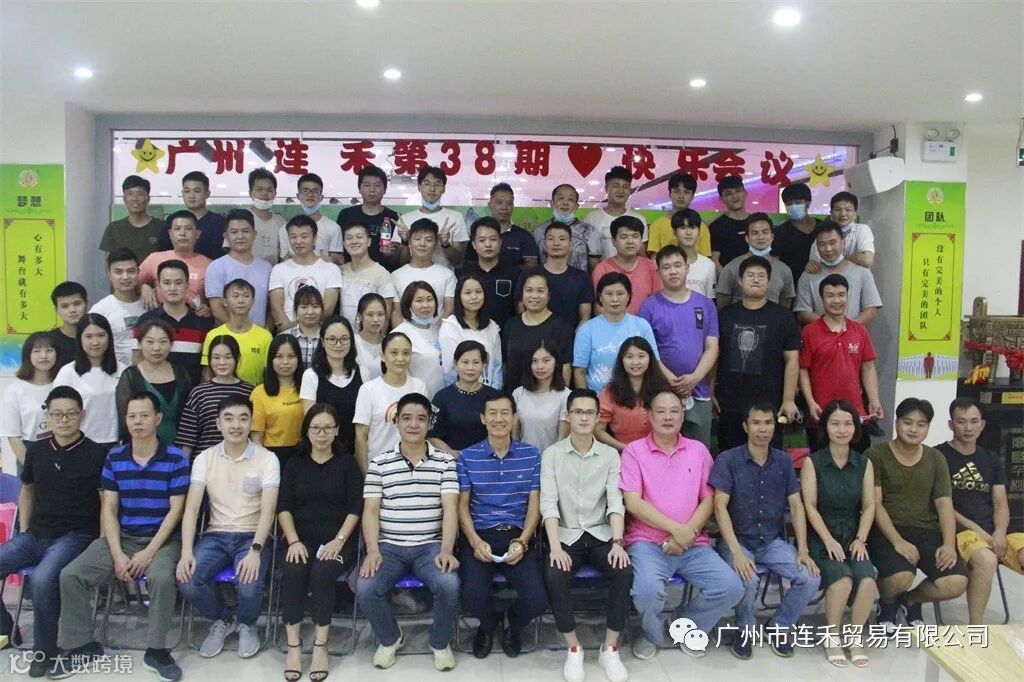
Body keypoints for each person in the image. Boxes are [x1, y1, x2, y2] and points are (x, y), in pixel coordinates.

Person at [53, 392, 189, 681]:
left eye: (144, 415)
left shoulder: (176, 458)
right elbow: (110, 509)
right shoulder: (115, 457)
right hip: (123, 537)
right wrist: (117, 555)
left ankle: (157, 650)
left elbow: (176, 511)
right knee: (70, 575)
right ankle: (81, 646)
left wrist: (148, 553)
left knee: (161, 578)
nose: (138, 422)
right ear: (125, 420)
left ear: (158, 419)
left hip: (163, 540)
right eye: (132, 416)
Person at [623, 391, 744, 660]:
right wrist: (677, 530)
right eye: (661, 411)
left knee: (731, 587)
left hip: (693, 544)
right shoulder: (634, 451)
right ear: (649, 416)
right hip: (648, 542)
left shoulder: (698, 451)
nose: (668, 417)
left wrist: (687, 534)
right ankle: (651, 634)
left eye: (674, 411)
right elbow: (632, 502)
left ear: (682, 415)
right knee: (646, 592)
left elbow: (709, 499)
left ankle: (684, 624)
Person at [0, 386, 106, 676]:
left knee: (43, 579)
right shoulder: (36, 450)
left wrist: (102, 541)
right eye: (57, 414)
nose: (63, 419)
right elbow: (28, 490)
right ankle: (6, 628)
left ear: (82, 415)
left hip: (75, 536)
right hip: (36, 534)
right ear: (46, 415)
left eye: (71, 413)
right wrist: (24, 530)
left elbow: (106, 501)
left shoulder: (97, 453)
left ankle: (45, 652)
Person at [356, 392, 460, 671]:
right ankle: (390, 638)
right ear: (396, 422)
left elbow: (450, 509)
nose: (414, 424)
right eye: (407, 418)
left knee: (449, 585)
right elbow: (371, 511)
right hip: (389, 546)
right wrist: (372, 550)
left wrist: (446, 550)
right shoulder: (379, 463)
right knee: (365, 588)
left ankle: (440, 643)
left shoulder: (445, 462)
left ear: (429, 424)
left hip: (430, 546)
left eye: (421, 419)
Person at [710, 400, 821, 660]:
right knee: (747, 580)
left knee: (810, 577)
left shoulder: (783, 461)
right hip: (737, 541)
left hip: (771, 542)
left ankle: (779, 626)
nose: (763, 429)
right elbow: (719, 507)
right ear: (745, 427)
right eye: (756, 423)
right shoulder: (728, 460)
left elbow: (796, 506)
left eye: (768, 423)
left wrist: (803, 549)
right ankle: (745, 630)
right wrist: (736, 553)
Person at [176, 396, 280, 659]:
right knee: (187, 579)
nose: (236, 425)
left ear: (251, 423)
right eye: (229, 419)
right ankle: (222, 619)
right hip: (215, 534)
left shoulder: (267, 459)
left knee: (249, 583)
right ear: (218, 424)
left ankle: (246, 623)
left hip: (252, 535)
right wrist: (186, 551)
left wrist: (256, 551)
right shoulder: (204, 458)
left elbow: (268, 511)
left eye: (243, 419)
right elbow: (191, 509)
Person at [541, 389, 632, 682]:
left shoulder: (610, 455)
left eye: (589, 412)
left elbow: (615, 502)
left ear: (596, 417)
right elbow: (548, 503)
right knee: (554, 573)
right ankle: (574, 648)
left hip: (600, 533)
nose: (583, 418)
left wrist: (617, 542)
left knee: (623, 571)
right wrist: (555, 547)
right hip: (566, 535)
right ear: (568, 415)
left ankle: (610, 648)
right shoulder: (552, 454)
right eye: (577, 412)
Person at [457, 393, 546, 659]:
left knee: (537, 599)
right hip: (480, 534)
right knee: (470, 595)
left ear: (514, 417)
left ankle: (513, 625)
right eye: (492, 413)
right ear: (483, 419)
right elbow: (462, 506)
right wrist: (475, 541)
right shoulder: (467, 457)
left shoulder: (532, 455)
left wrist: (523, 541)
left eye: (505, 413)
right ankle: (488, 624)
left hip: (517, 534)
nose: (499, 419)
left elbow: (534, 505)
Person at [867, 398, 967, 633]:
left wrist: (948, 544)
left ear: (928, 427)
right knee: (901, 577)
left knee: (956, 583)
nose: (913, 429)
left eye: (921, 425)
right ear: (897, 423)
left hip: (927, 530)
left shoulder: (935, 458)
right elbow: (875, 503)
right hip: (887, 531)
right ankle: (887, 603)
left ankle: (910, 601)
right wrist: (898, 541)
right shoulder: (876, 455)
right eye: (907, 422)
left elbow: (944, 503)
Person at [278, 404, 362, 682]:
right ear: (307, 431)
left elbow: (355, 508)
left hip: (340, 540)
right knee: (293, 570)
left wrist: (339, 540)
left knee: (322, 572)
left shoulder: (348, 464)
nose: (322, 434)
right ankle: (293, 646)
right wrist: (293, 541)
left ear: (337, 431)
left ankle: (320, 645)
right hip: (300, 538)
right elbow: (283, 507)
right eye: (315, 428)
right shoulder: (295, 463)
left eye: (328, 428)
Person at [800, 399, 877, 669]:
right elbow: (810, 506)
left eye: (847, 424)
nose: (842, 430)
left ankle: (854, 639)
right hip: (823, 537)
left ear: (855, 428)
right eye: (835, 424)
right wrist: (828, 539)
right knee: (843, 580)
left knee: (867, 580)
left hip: (854, 536)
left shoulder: (864, 463)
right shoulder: (813, 462)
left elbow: (869, 506)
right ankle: (832, 637)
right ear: (825, 428)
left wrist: (861, 538)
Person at [937, 398, 1023, 624]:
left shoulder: (992, 459)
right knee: (986, 559)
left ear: (982, 425)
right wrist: (981, 532)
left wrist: (1000, 532)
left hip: (992, 532)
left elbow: (1000, 503)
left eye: (974, 421)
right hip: (959, 531)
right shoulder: (938, 457)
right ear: (950, 424)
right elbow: (943, 505)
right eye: (961, 421)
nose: (968, 427)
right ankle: (976, 627)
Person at [714, 256, 801, 452]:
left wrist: (788, 399)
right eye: (750, 275)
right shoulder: (725, 316)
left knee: (768, 455)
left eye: (761, 276)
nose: (756, 279)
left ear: (769, 282)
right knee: (729, 454)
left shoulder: (784, 317)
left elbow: (792, 360)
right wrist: (711, 391)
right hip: (730, 402)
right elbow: (715, 357)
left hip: (769, 403)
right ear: (740, 280)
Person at [639, 245, 719, 445]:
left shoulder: (706, 304)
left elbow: (712, 347)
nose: (673, 271)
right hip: (661, 392)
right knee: (660, 449)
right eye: (666, 267)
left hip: (699, 391)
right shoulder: (648, 307)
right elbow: (646, 351)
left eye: (678, 265)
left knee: (698, 452)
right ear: (659, 272)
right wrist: (670, 379)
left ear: (687, 268)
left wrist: (694, 378)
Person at [799, 273, 884, 452]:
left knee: (857, 463)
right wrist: (811, 402)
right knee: (822, 464)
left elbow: (868, 367)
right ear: (822, 299)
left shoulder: (860, 331)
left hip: (855, 415)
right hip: (820, 414)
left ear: (847, 296)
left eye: (841, 295)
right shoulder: (809, 332)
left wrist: (874, 399)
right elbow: (802, 370)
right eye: (830, 295)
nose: (836, 300)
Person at [352, 332, 427, 471]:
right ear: (382, 355)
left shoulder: (419, 386)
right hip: (378, 468)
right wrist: (366, 474)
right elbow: (360, 437)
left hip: (413, 467)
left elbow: (424, 429)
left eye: (406, 353)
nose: (400, 358)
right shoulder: (368, 389)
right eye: (394, 353)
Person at [573, 273, 659, 394]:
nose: (614, 299)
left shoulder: (642, 325)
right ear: (600, 297)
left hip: (637, 397)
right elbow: (579, 371)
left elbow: (654, 363)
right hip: (598, 398)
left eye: (620, 293)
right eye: (609, 294)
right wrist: (586, 400)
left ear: (629, 296)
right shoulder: (586, 329)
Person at [135, 259, 215, 384]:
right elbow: (137, 360)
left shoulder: (203, 321)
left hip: (193, 392)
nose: (172, 288)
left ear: (187, 285)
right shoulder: (146, 320)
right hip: (154, 391)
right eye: (167, 283)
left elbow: (208, 367)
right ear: (159, 285)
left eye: (178, 283)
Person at [54, 314, 127, 449]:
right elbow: (57, 411)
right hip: (79, 443)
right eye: (88, 336)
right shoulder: (67, 372)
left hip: (116, 443)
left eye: (101, 335)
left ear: (109, 337)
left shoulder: (123, 370)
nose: (95, 342)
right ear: (80, 339)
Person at [176, 335, 255, 458]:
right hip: (205, 462)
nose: (222, 363)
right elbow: (187, 439)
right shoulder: (199, 393)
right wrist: (184, 467)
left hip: (241, 461)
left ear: (237, 358)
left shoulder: (249, 391)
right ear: (209, 360)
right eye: (216, 357)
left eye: (228, 357)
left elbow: (255, 433)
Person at [116, 319, 192, 443]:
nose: (156, 348)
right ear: (139, 344)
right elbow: (124, 418)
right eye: (150, 342)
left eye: (163, 342)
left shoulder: (181, 373)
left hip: (179, 445)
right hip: (142, 445)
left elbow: (190, 417)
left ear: (171, 344)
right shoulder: (130, 376)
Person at [795, 222, 882, 326]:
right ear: (817, 247)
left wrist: (847, 328)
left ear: (843, 242)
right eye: (822, 244)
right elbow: (802, 313)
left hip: (853, 333)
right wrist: (830, 326)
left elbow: (872, 309)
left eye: (832, 243)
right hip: (820, 335)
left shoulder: (863, 273)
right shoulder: (808, 275)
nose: (828, 249)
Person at [502, 271, 573, 393]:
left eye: (540, 291)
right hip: (514, 396)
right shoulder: (511, 325)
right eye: (529, 290)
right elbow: (504, 364)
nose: (534, 296)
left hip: (548, 399)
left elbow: (565, 367)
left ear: (549, 295)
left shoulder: (561, 327)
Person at [300, 316, 363, 453]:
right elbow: (310, 422)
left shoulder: (363, 373)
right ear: (322, 341)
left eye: (344, 339)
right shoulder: (311, 376)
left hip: (355, 449)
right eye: (332, 339)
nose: (338, 345)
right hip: (322, 450)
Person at [429, 341, 503, 457]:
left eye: (476, 362)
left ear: (484, 365)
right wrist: (452, 453)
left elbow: (502, 430)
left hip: (488, 459)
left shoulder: (494, 397)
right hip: (452, 460)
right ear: (456, 364)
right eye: (465, 362)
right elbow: (432, 435)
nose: (470, 368)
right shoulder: (442, 397)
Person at [270, 215, 342, 333]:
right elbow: (276, 307)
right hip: (286, 336)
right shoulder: (278, 269)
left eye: (304, 236)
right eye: (293, 237)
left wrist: (297, 327)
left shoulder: (331, 270)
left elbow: (328, 309)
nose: (298, 241)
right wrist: (289, 330)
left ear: (315, 238)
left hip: (319, 335)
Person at [597, 337, 670, 453]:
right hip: (624, 453)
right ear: (621, 360)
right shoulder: (610, 392)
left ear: (650, 358)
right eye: (629, 357)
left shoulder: (662, 388)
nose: (635, 362)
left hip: (660, 452)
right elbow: (598, 431)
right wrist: (626, 449)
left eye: (641, 356)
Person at [517, 221, 593, 329]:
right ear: (544, 244)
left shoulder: (582, 278)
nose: (556, 243)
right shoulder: (528, 275)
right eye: (551, 239)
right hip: (533, 336)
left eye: (562, 239)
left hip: (571, 337)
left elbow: (584, 318)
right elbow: (521, 312)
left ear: (570, 245)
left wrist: (575, 337)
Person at [205, 208, 273, 328]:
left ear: (254, 235)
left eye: (245, 231)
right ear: (226, 236)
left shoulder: (267, 268)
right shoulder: (216, 267)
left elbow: (272, 306)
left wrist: (265, 331)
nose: (240, 236)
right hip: (228, 336)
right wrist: (242, 332)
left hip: (261, 335)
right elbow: (217, 309)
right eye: (234, 232)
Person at [139, 210, 213, 316]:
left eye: (188, 229)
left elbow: (215, 302)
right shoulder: (154, 259)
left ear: (197, 234)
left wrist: (209, 310)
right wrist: (143, 287)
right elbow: (131, 283)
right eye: (177, 229)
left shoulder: (210, 265)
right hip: (159, 321)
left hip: (194, 321)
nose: (182, 233)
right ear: (170, 234)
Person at [200, 279, 273, 385]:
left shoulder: (265, 336)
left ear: (253, 302)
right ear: (225, 302)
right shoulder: (213, 335)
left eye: (246, 296)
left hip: (254, 393)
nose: (241, 300)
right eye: (235, 296)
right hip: (221, 392)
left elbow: (268, 373)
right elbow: (207, 372)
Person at [395, 165, 469, 269]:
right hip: (410, 278)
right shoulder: (404, 220)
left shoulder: (455, 217)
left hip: (444, 277)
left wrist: (445, 244)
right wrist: (405, 241)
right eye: (427, 183)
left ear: (443, 189)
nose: (432, 188)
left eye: (437, 184)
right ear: (419, 187)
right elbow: (399, 263)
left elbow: (458, 261)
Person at [1, 332, 56, 472]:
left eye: (49, 350)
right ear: (28, 355)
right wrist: (30, 467)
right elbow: (13, 436)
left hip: (64, 451)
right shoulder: (15, 390)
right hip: (30, 453)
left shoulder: (63, 383)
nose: (44, 355)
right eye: (37, 351)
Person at [715, 213, 796, 309]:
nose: (760, 237)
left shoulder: (784, 270)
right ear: (747, 238)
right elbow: (722, 306)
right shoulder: (731, 268)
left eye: (765, 232)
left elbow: (785, 305)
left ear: (772, 237)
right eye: (754, 233)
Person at [440, 273, 503, 388]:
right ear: (459, 296)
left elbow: (497, 365)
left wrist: (494, 393)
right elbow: (450, 368)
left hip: (488, 393)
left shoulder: (492, 327)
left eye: (478, 292)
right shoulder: (451, 326)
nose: (474, 297)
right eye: (467, 293)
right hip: (460, 392)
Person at [250, 334, 304, 468]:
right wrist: (262, 464)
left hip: (304, 454)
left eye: (291, 356)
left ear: (298, 359)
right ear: (271, 360)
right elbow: (256, 437)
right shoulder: (259, 393)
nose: (285, 362)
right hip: (271, 455)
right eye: (279, 356)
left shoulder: (307, 388)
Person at [390, 217, 457, 325]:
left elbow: (449, 310)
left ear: (436, 244)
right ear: (409, 242)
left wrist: (433, 333)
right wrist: (400, 334)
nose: (422, 243)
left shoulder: (447, 275)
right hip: (404, 334)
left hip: (438, 333)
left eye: (428, 240)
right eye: (417, 239)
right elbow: (396, 313)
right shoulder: (395, 276)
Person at [591, 216, 662, 315]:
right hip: (613, 323)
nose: (630, 241)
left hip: (646, 323)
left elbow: (659, 302)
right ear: (614, 241)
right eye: (624, 237)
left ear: (641, 240)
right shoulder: (602, 269)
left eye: (635, 236)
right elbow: (599, 306)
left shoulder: (652, 267)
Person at [336, 164, 401, 271]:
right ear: (359, 189)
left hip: (385, 274)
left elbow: (401, 255)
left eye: (377, 185)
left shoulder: (394, 218)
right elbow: (339, 249)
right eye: (367, 185)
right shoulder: (346, 215)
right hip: (351, 274)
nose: (372, 190)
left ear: (385, 189)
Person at [459, 217, 521, 328]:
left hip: (506, 333)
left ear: (500, 242)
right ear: (474, 245)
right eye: (482, 240)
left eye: (493, 239)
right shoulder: (465, 273)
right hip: (473, 333)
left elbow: (519, 308)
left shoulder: (514, 273)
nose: (488, 244)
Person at [91, 248, 146, 367]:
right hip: (114, 373)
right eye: (118, 272)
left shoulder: (149, 304)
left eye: (131, 271)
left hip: (149, 373)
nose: (125, 277)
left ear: (138, 272)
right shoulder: (100, 310)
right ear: (109, 274)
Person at [512, 341, 571, 453]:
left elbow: (562, 439)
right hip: (523, 457)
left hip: (552, 459)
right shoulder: (518, 393)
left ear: (556, 362)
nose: (540, 366)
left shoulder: (565, 395)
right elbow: (514, 436)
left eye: (546, 360)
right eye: (534, 361)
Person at [585, 166, 648, 267]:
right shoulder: (591, 219)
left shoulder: (639, 219)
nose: (621, 190)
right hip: (603, 275)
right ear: (606, 189)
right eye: (616, 186)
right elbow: (590, 257)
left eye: (625, 187)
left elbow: (642, 255)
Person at [465, 183, 539, 268]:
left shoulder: (524, 236)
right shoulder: (478, 235)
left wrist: (506, 272)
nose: (504, 207)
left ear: (513, 206)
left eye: (509, 203)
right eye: (499, 203)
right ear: (490, 205)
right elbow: (469, 265)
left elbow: (531, 266)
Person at [156, 171, 226, 261]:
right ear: (182, 193)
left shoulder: (219, 223)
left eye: (196, 191)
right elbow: (163, 252)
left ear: (207, 194)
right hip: (176, 268)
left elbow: (222, 256)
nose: (191, 196)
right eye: (187, 191)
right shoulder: (172, 220)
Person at [338, 220, 397, 326]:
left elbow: (386, 318)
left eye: (359, 237)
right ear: (344, 244)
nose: (354, 241)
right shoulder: (339, 271)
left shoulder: (382, 274)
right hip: (344, 334)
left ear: (369, 241)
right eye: (349, 238)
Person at [393, 281, 445, 398]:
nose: (425, 305)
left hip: (442, 399)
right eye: (419, 301)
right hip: (416, 400)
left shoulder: (440, 330)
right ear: (408, 304)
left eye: (429, 299)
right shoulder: (399, 335)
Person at [279, 173, 343, 264]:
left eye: (315, 191)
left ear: (321, 197)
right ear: (298, 196)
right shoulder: (285, 229)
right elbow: (284, 261)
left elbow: (337, 261)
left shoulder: (333, 228)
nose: (310, 194)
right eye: (305, 190)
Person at [645, 172, 712, 258]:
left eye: (686, 192)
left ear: (692, 196)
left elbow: (705, 260)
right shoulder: (657, 225)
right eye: (676, 191)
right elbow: (654, 259)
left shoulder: (701, 227)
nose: (681, 196)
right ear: (670, 194)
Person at [100, 175, 162, 262]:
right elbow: (109, 263)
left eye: (140, 194)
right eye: (130, 194)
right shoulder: (113, 228)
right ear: (124, 198)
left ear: (148, 199)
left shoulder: (162, 227)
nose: (135, 198)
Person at [808, 191, 874, 271]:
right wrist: (811, 265)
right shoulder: (822, 233)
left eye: (848, 210)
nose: (843, 214)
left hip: (858, 278)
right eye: (838, 210)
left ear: (855, 214)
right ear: (831, 213)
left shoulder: (862, 229)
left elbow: (867, 260)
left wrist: (837, 260)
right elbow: (814, 264)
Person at [533, 184, 591, 272]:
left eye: (570, 199)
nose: (565, 203)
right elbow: (533, 263)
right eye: (560, 198)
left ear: (576, 206)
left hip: (578, 280)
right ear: (552, 204)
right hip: (544, 280)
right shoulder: (538, 231)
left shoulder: (589, 231)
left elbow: (594, 265)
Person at [772, 183, 820, 286]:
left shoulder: (823, 228)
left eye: (798, 202)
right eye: (789, 204)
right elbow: (775, 265)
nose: (793, 207)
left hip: (821, 286)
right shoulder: (779, 233)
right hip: (791, 287)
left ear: (808, 204)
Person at [669, 209, 717, 299]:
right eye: (682, 228)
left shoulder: (709, 265)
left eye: (693, 227)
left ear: (699, 231)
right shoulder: (666, 263)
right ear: (674, 232)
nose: (688, 233)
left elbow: (710, 299)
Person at [708, 175, 750, 268]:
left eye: (738, 191)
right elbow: (714, 260)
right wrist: (727, 277)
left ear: (745, 193)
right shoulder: (716, 227)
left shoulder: (756, 223)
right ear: (721, 199)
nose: (735, 196)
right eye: (729, 193)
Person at [246, 168, 284, 265]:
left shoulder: (280, 221)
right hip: (244, 272)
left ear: (275, 194)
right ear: (250, 193)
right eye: (259, 189)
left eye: (269, 190)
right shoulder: (241, 219)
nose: (264, 193)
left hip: (273, 272)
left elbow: (284, 253)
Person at [49, 281, 89, 368]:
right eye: (65, 306)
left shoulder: (98, 337)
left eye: (77, 304)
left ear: (86, 304)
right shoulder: (49, 341)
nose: (72, 310)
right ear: (56, 310)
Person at [287, 285, 324, 367]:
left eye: (315, 306)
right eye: (304, 307)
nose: (310, 312)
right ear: (296, 310)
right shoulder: (286, 337)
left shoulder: (328, 337)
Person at [354, 293, 387, 382]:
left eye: (380, 314)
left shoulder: (390, 343)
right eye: (370, 314)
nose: (376, 319)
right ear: (360, 316)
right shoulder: (352, 343)